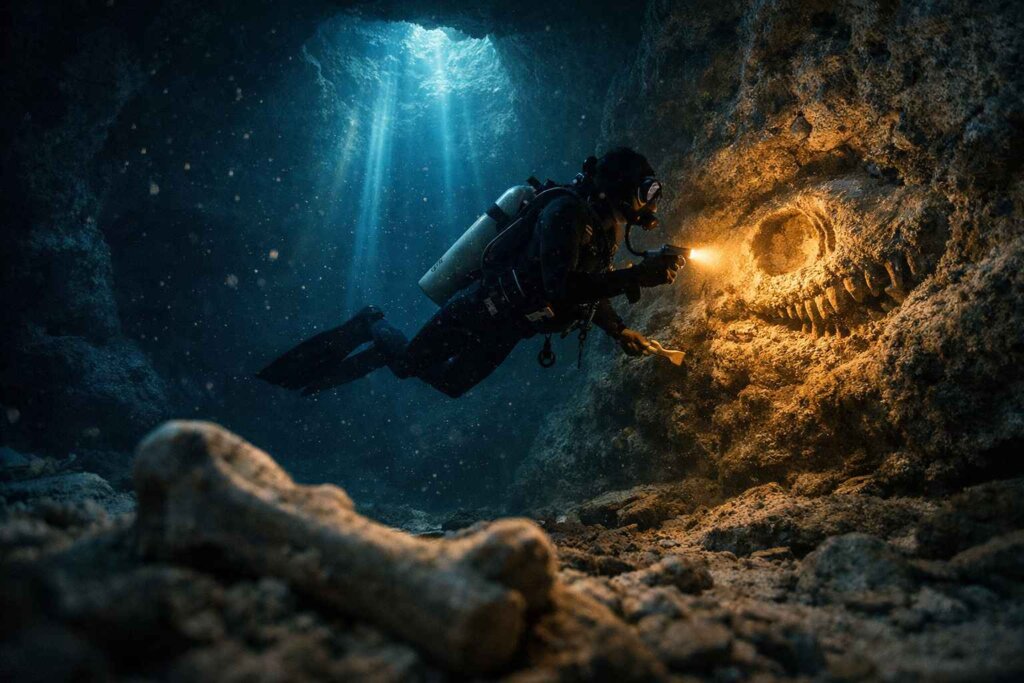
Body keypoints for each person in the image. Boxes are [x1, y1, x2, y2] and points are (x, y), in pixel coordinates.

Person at [257, 147, 680, 398]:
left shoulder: (601, 231)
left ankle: (383, 349)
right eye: (646, 193)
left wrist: (619, 329)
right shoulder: (565, 212)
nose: (650, 206)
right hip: (483, 306)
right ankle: (372, 322)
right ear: (622, 187)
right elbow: (562, 286)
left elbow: (589, 285)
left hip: (510, 326)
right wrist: (637, 276)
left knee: (452, 384)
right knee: (407, 367)